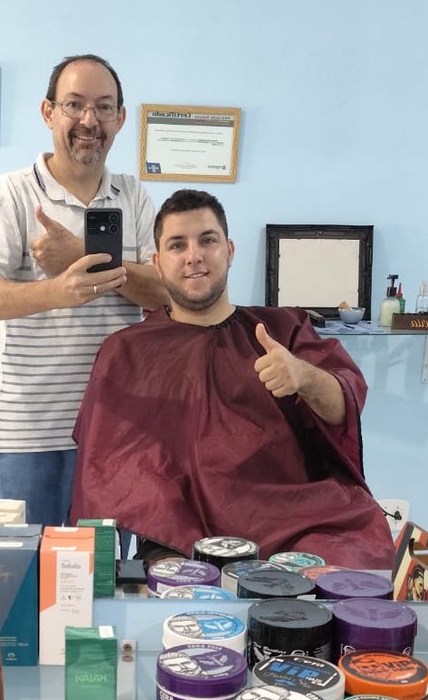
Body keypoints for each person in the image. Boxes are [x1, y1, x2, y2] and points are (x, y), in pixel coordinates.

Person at [71, 188, 394, 567]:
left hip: (295, 523)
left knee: (349, 575)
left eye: (207, 240)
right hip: (178, 537)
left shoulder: (283, 329)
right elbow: (101, 476)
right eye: (178, 245)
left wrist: (303, 376)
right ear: (157, 263)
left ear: (230, 250)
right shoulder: (126, 352)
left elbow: (343, 407)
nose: (194, 256)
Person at [0, 54, 166, 527]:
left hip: (115, 433)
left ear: (120, 117)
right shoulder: (11, 193)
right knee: (19, 570)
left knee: (103, 569)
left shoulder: (134, 196)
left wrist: (80, 254)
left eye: (104, 107)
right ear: (48, 112)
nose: (89, 121)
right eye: (74, 104)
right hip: (27, 436)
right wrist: (59, 290)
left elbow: (163, 294)